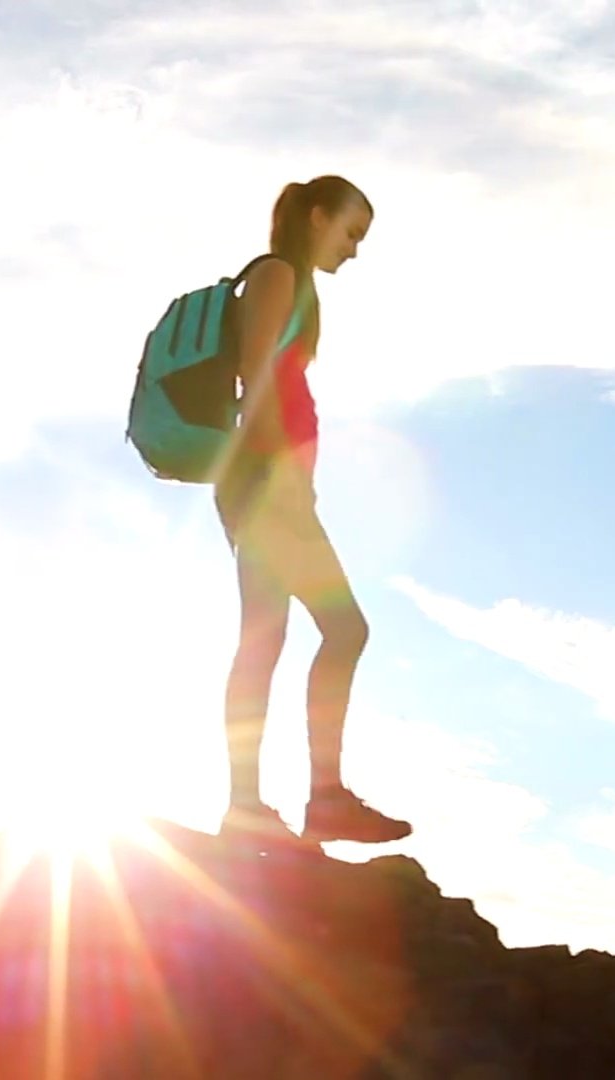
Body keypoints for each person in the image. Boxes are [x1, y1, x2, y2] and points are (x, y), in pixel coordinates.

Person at [214, 175, 413, 847]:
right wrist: (283, 478)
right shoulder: (276, 276)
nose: (354, 250)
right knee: (343, 629)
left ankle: (252, 805)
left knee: (266, 638)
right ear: (319, 217)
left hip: (266, 482)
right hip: (269, 482)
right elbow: (256, 372)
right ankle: (316, 798)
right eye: (350, 233)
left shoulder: (294, 284)